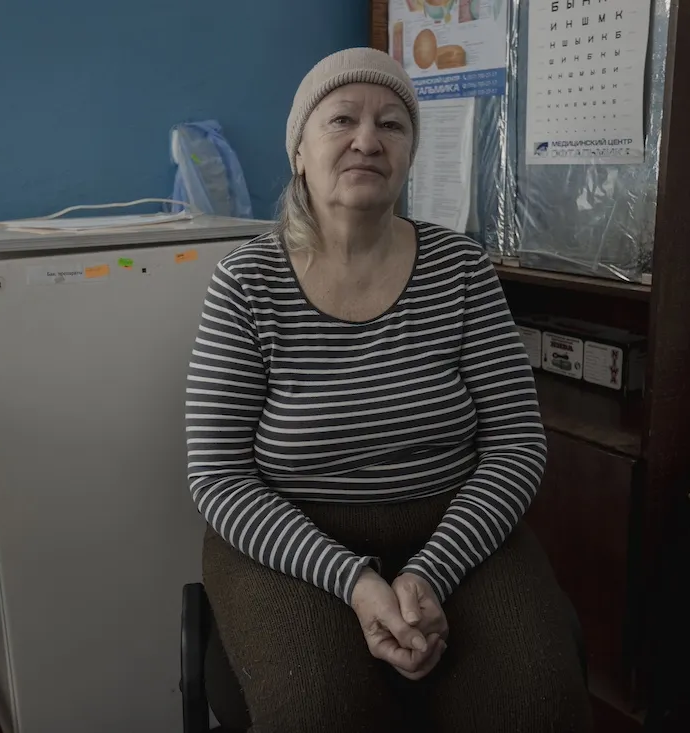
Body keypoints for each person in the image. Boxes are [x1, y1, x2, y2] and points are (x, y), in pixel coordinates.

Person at [186, 47, 592, 732]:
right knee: (322, 710)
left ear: (408, 153)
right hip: (293, 537)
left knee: (538, 703)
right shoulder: (246, 281)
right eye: (341, 119)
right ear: (300, 150)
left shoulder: (460, 268)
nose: (367, 140)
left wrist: (434, 569)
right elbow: (218, 476)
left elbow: (517, 443)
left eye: (392, 125)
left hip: (456, 526)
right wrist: (354, 579)